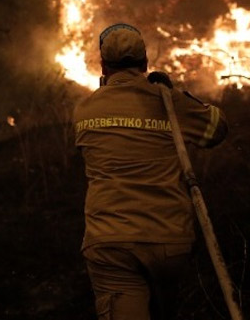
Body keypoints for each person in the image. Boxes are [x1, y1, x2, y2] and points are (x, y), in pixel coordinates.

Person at [73, 23, 228, 320]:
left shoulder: (84, 109)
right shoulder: (168, 102)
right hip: (169, 242)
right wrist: (174, 93)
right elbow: (217, 129)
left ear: (103, 65)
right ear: (145, 63)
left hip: (111, 242)